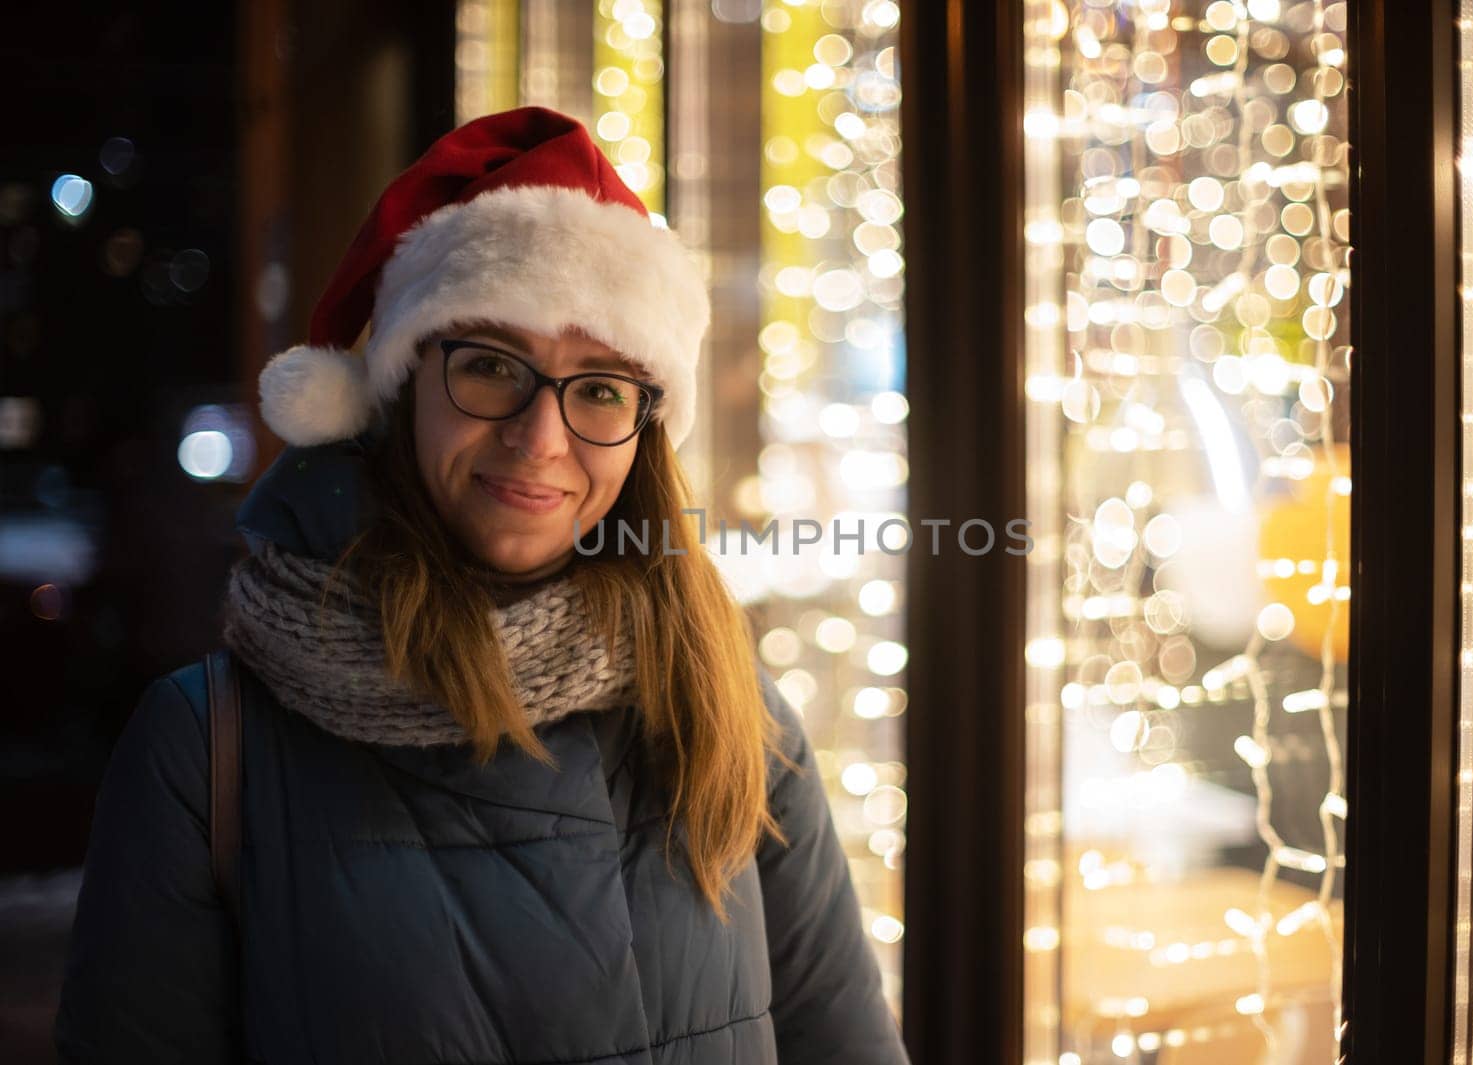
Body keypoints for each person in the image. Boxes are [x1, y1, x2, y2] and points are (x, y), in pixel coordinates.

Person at [53, 106, 911, 1065]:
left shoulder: (729, 712)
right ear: (400, 384)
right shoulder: (208, 748)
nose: (540, 438)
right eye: (493, 367)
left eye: (598, 387)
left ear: (644, 429)